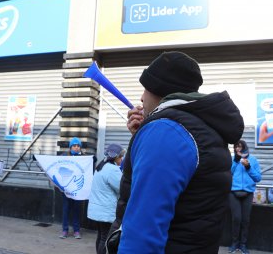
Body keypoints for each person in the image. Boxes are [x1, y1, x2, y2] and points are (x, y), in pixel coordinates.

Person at [109, 51, 244, 253]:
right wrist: (140, 139)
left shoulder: (165, 132)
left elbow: (142, 233)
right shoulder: (200, 128)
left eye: (145, 88)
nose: (141, 97)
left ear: (159, 90)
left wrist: (152, 135)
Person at [88, 143, 125, 254]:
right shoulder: (112, 169)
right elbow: (121, 188)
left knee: (101, 236)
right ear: (116, 157)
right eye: (121, 157)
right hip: (106, 210)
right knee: (105, 238)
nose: (122, 159)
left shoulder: (101, 166)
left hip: (98, 209)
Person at [229, 140, 261, 254]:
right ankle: (234, 244)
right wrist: (236, 161)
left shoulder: (253, 160)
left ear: (245, 147)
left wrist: (248, 167)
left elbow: (258, 178)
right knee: (236, 219)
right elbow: (229, 173)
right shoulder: (233, 159)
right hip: (233, 192)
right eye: (236, 147)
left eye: (240, 146)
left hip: (248, 193)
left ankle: (243, 245)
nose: (238, 149)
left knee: (245, 220)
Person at [60, 137, 84, 239]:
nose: (76, 147)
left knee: (77, 210)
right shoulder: (64, 157)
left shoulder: (84, 158)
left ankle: (76, 230)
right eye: (74, 145)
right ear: (70, 147)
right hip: (66, 189)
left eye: (78, 146)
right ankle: (65, 230)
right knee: (66, 210)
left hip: (78, 190)